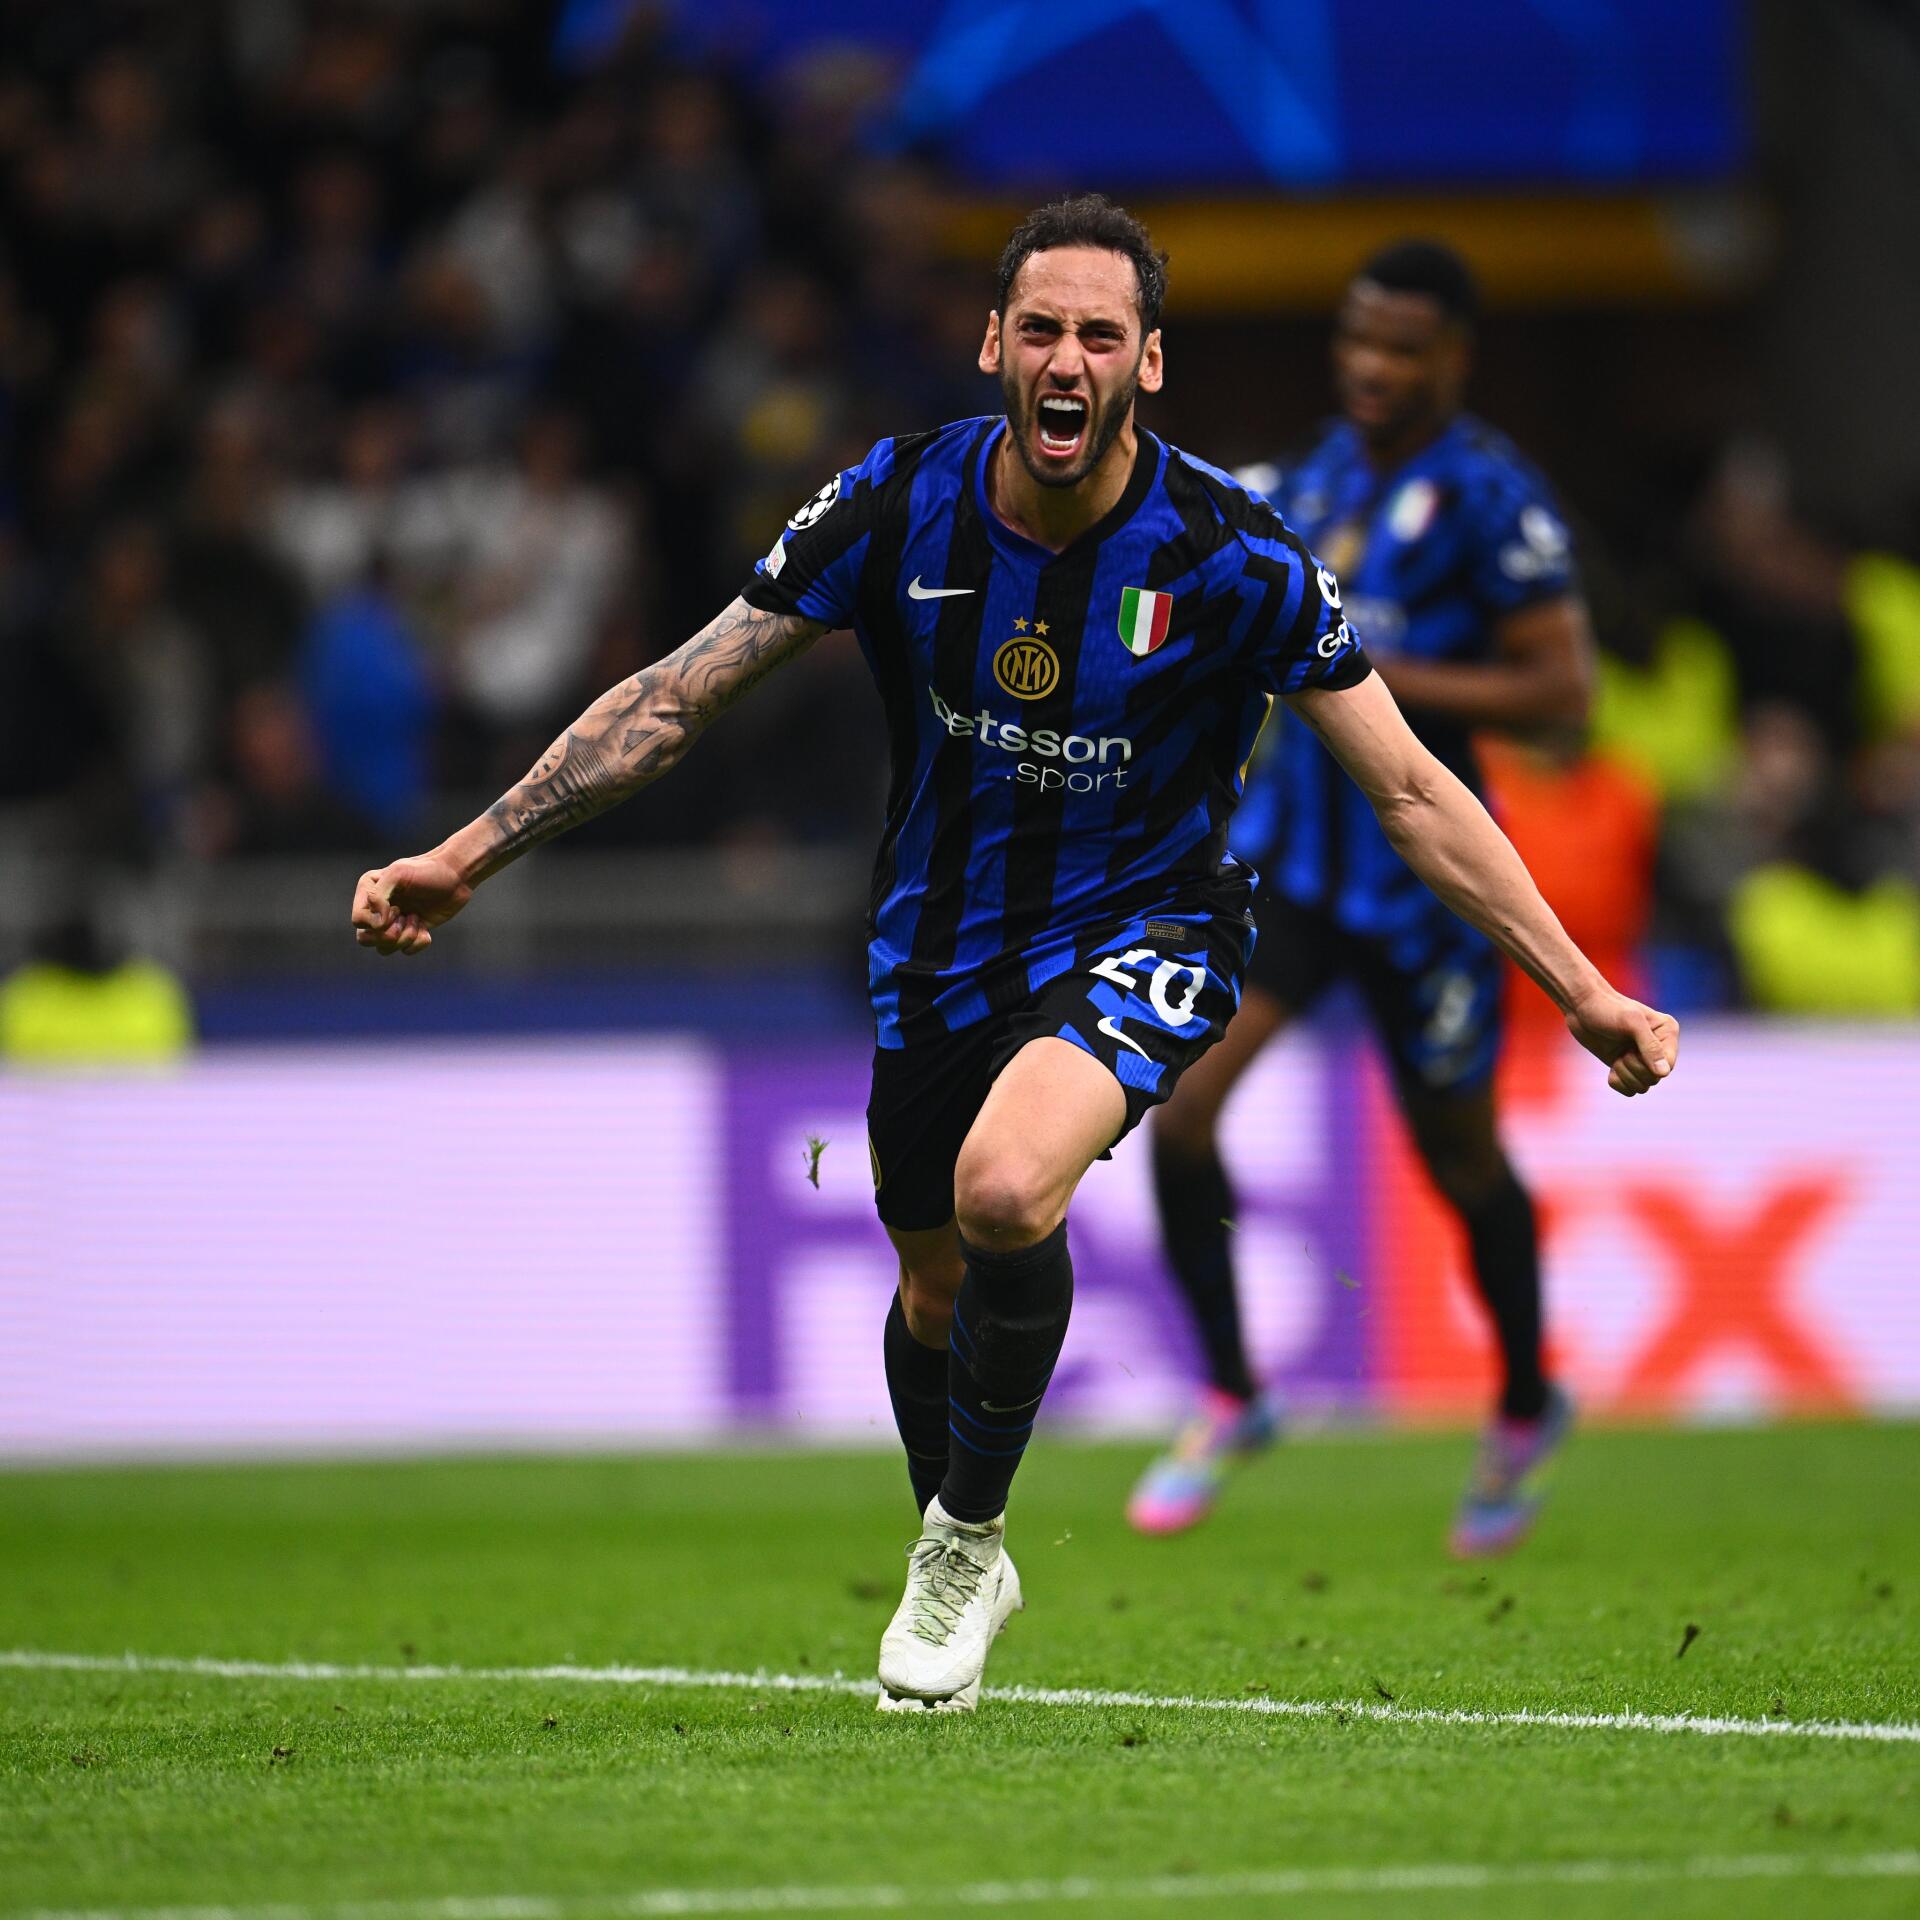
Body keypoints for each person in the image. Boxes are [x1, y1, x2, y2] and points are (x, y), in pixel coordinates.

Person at [350, 200, 1677, 1710]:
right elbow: (676, 695)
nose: (1067, 358)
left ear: (1149, 364)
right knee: (930, 1289)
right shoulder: (896, 503)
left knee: (1002, 1189)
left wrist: (1580, 988)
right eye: (1040, 327)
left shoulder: (1231, 553)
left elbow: (1418, 788)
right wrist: (466, 853)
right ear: (994, 344)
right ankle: (959, 1526)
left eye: (1100, 334)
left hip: (1153, 925)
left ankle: (965, 1541)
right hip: (937, 947)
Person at [1127, 240, 1600, 1557]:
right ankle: (1232, 1391)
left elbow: (1564, 702)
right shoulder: (1310, 478)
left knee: (1459, 1159)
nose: (1372, 368)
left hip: (1429, 888)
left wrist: (1366, 672)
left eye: (1401, 348)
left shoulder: (1494, 502)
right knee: (1177, 1108)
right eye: (1357, 341)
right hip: (1290, 869)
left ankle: (1521, 1400)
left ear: (1454, 356)